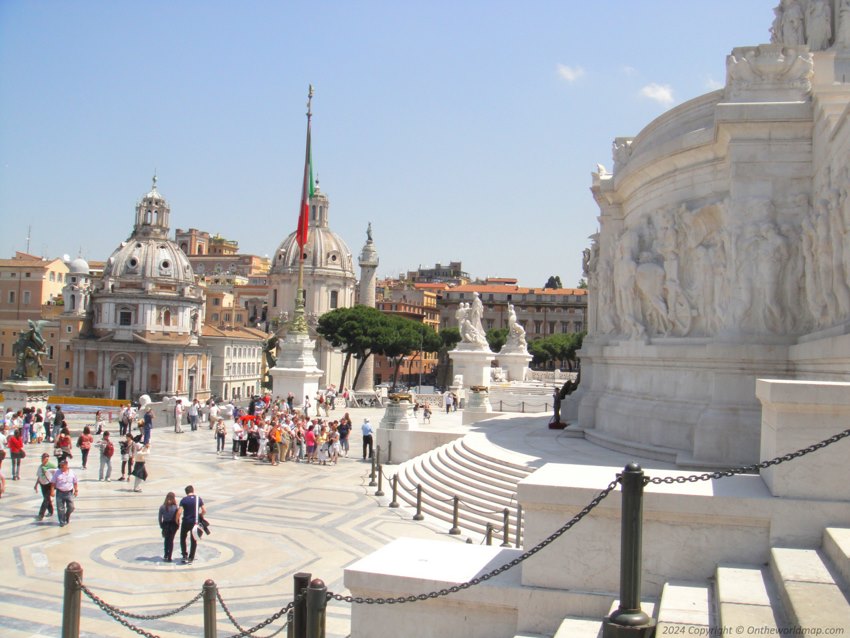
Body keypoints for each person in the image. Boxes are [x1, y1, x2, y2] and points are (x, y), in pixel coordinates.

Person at [178, 485, 205, 565]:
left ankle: (184, 555)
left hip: (186, 522)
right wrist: (200, 515)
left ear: (186, 492)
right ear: (193, 491)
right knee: (193, 540)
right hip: (194, 522)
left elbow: (179, 512)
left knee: (183, 538)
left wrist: (177, 519)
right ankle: (191, 557)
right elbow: (204, 510)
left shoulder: (184, 500)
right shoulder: (198, 499)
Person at [50, 458, 78, 527]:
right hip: (60, 492)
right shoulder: (57, 472)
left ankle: (66, 516)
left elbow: (75, 482)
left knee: (71, 507)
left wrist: (76, 490)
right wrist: (52, 491)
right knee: (60, 508)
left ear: (66, 465)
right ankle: (62, 522)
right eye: (61, 465)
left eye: (63, 465)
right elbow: (53, 483)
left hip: (69, 492)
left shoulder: (72, 472)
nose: (61, 467)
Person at [34, 452, 56, 521]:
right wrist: (36, 484)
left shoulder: (51, 465)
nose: (44, 460)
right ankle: (51, 511)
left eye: (46, 458)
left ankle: (41, 515)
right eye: (43, 458)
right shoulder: (40, 466)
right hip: (42, 484)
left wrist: (54, 486)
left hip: (49, 484)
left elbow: (56, 474)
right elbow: (39, 476)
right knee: (46, 498)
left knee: (46, 499)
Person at [158, 492, 179, 562]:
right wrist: (178, 524)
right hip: (173, 525)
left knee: (166, 539)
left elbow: (159, 517)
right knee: (171, 540)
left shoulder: (162, 507)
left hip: (165, 524)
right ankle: (170, 555)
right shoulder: (175, 507)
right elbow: (177, 517)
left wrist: (161, 525)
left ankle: (165, 554)